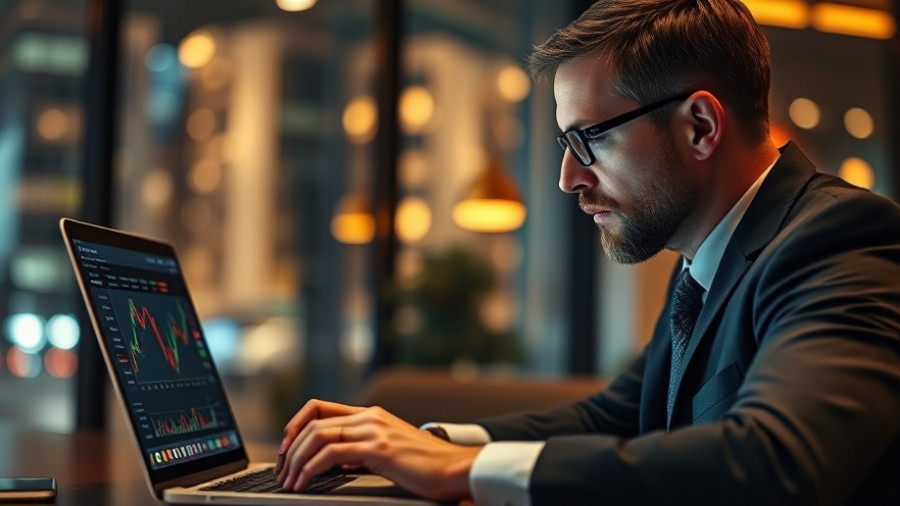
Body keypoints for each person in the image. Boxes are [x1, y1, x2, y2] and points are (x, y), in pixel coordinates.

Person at [274, 0, 900, 504]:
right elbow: (618, 417)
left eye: (589, 139)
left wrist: (468, 470)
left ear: (700, 127)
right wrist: (427, 441)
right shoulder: (709, 264)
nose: (569, 176)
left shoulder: (841, 241)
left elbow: (774, 462)